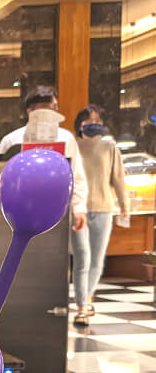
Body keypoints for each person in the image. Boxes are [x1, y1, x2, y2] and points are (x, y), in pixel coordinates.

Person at [0, 86, 88, 233]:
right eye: (46, 109)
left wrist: (79, 208)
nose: (51, 113)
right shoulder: (12, 141)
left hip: (58, 212)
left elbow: (76, 176)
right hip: (19, 212)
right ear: (30, 112)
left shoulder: (65, 138)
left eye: (54, 108)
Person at [70, 104, 129, 327]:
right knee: (82, 258)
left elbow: (118, 179)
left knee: (96, 260)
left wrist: (124, 205)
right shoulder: (73, 146)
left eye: (98, 120)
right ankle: (82, 306)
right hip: (78, 210)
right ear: (80, 124)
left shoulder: (110, 147)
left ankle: (85, 298)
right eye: (89, 120)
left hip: (104, 208)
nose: (94, 124)